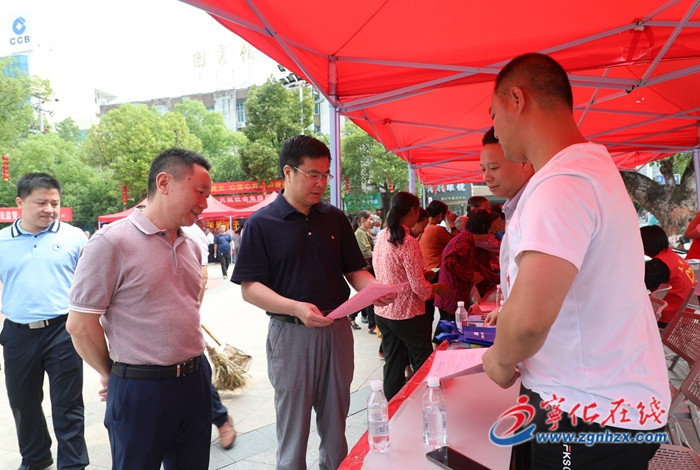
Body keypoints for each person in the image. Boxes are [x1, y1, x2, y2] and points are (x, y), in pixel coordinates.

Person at [483, 52, 669, 469]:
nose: (494, 128)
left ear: (517, 100)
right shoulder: (590, 168)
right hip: (600, 402)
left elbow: (529, 320)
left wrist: (498, 358)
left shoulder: (562, 183)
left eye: (494, 114)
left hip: (587, 411)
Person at [230, 135, 394, 470]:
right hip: (290, 333)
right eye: (313, 175)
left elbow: (354, 271)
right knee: (294, 424)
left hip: (337, 329)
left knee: (336, 419)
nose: (321, 183)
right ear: (288, 172)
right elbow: (250, 288)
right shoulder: (261, 223)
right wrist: (296, 307)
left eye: (325, 175)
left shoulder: (334, 218)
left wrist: (376, 288)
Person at [66, 148, 214, 470]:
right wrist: (113, 374)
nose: (205, 203)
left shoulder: (191, 244)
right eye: (200, 192)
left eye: (207, 195)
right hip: (141, 390)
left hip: (196, 379)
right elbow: (80, 325)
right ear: (164, 182)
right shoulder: (110, 243)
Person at [0, 173, 89, 470]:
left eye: (55, 203)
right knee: (22, 401)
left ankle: (73, 464)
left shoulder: (74, 237)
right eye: (41, 202)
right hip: (17, 333)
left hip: (63, 331)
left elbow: (91, 286)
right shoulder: (2, 241)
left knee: (68, 403)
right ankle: (36, 457)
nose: (49, 209)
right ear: (20, 202)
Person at [373, 192, 449, 401]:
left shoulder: (383, 235)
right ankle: (429, 402)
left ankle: (393, 407)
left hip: (384, 311)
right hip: (407, 313)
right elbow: (419, 289)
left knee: (393, 362)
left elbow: (392, 272)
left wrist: (423, 275)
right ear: (414, 211)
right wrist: (436, 287)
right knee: (423, 361)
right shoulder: (408, 242)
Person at [180, 223, 237, 450]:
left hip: (186, 320)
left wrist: (190, 313)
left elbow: (202, 277)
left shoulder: (192, 233)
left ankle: (221, 419)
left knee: (196, 372)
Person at [435, 208, 501, 321]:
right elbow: (449, 262)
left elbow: (474, 265)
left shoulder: (468, 239)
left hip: (455, 297)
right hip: (452, 296)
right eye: (495, 223)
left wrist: (497, 280)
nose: (497, 227)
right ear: (484, 225)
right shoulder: (464, 240)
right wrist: (471, 276)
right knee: (449, 329)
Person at [641, 225, 695, 328]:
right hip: (684, 316)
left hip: (668, 317)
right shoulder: (673, 258)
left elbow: (635, 285)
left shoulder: (660, 265)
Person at [349, 210, 376, 333]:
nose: (372, 222)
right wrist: (379, 254)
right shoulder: (360, 233)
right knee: (369, 297)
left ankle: (352, 316)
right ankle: (372, 325)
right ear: (362, 220)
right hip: (365, 270)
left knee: (366, 296)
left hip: (368, 268)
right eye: (370, 219)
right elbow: (365, 252)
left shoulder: (364, 232)